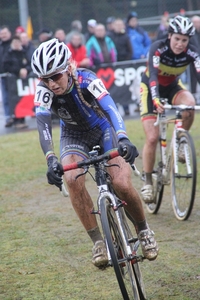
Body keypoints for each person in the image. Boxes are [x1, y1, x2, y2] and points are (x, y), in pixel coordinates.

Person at [31, 38, 158, 268]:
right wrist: (50, 159)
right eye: (45, 78)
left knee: (121, 182)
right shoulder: (43, 91)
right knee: (71, 178)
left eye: (56, 76)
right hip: (73, 136)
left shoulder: (86, 78)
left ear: (69, 68)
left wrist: (123, 137)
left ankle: (143, 229)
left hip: (102, 129)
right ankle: (98, 241)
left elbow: (110, 107)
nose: (51, 84)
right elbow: (43, 124)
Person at [140, 15, 200, 203]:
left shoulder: (193, 52)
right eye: (177, 39)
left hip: (173, 87)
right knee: (152, 137)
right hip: (151, 89)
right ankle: (148, 180)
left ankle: (180, 140)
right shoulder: (158, 48)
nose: (180, 44)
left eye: (184, 40)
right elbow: (153, 77)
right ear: (169, 36)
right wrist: (156, 99)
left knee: (189, 105)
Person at [3, 35, 32, 129]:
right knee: (14, 100)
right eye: (14, 42)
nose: (16, 44)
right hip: (12, 81)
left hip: (23, 81)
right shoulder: (9, 53)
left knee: (22, 99)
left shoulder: (24, 52)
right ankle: (16, 120)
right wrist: (18, 71)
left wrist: (26, 70)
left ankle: (22, 119)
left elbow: (30, 63)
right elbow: (6, 66)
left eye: (17, 42)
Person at [0, 25, 13, 127]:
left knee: (13, 96)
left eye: (5, 33)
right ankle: (8, 117)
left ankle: (16, 116)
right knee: (5, 98)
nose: (3, 35)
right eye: (1, 34)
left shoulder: (13, 45)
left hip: (12, 75)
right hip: (3, 75)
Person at [190, 15, 200, 95]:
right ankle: (193, 94)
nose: (197, 24)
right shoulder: (190, 34)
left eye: (198, 22)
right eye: (195, 22)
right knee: (193, 78)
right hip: (193, 60)